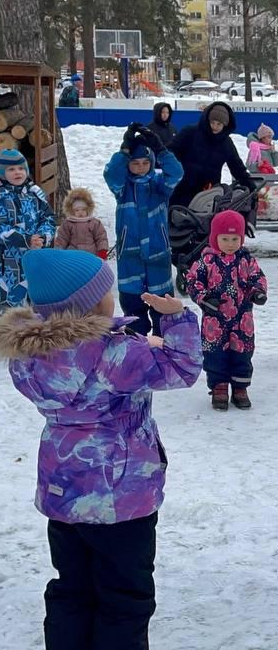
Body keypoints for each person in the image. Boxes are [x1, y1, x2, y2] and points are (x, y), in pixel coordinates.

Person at [0, 248, 201, 650]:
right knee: (124, 597)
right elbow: (183, 367)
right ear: (92, 303)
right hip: (122, 499)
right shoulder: (117, 354)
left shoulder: (27, 356)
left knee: (71, 589)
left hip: (64, 495)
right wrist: (176, 316)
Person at [104, 122, 184, 336]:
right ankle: (136, 348)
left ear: (151, 162)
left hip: (158, 255)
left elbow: (176, 172)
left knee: (162, 311)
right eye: (134, 163)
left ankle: (162, 346)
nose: (139, 167)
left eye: (144, 163)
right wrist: (123, 151)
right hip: (130, 257)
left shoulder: (160, 186)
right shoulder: (122, 188)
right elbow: (111, 174)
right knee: (133, 309)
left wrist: (161, 150)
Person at [186, 209, 267, 411]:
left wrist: (258, 292)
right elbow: (193, 281)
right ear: (215, 238)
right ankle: (219, 386)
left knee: (243, 351)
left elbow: (258, 277)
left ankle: (240, 387)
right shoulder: (206, 261)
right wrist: (204, 299)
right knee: (215, 353)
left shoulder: (246, 260)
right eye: (225, 239)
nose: (230, 244)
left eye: (234, 239)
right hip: (214, 318)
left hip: (242, 316)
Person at [168, 101, 255, 209]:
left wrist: (252, 188)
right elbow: (170, 153)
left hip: (208, 194)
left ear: (225, 125)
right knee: (177, 221)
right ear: (207, 120)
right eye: (212, 122)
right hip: (182, 189)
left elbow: (237, 167)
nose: (215, 126)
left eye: (219, 124)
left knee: (204, 223)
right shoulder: (190, 133)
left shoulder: (226, 143)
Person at [0, 148, 56, 309]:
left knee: (34, 303)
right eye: (11, 169)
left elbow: (48, 218)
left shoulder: (34, 194)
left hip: (34, 257)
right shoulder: (2, 196)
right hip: (6, 263)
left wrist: (43, 237)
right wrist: (24, 239)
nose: (18, 172)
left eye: (21, 168)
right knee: (9, 307)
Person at [53, 187, 109, 259]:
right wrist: (58, 251)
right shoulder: (68, 223)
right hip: (73, 256)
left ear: (88, 209)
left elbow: (101, 237)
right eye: (77, 210)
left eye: (83, 209)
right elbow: (62, 238)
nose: (80, 212)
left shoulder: (94, 223)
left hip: (91, 255)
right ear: (72, 211)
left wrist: (102, 250)